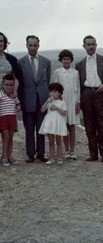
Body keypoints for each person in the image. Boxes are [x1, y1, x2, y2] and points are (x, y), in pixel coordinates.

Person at [75, 35, 103, 162]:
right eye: (88, 44)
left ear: (96, 45)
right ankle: (93, 154)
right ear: (84, 46)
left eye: (93, 44)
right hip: (86, 94)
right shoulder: (79, 64)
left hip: (101, 94)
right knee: (89, 125)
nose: (91, 47)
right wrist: (79, 101)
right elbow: (78, 84)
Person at [18, 35, 51, 163]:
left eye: (35, 45)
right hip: (28, 99)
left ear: (38, 45)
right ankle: (30, 154)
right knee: (29, 127)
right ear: (26, 46)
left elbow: (46, 81)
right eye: (30, 45)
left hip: (42, 99)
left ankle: (41, 153)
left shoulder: (46, 62)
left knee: (41, 127)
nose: (32, 47)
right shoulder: (20, 62)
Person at [52, 49, 80, 160]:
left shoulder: (75, 72)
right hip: (62, 102)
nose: (66, 61)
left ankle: (72, 151)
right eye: (64, 59)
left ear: (71, 60)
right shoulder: (57, 72)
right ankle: (66, 150)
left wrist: (78, 103)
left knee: (72, 126)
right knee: (64, 126)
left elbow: (77, 89)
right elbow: (55, 89)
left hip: (72, 102)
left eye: (68, 59)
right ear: (61, 60)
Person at [39, 83, 67, 165]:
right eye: (51, 91)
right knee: (51, 141)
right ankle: (51, 158)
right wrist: (47, 101)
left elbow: (64, 113)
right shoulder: (49, 101)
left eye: (55, 91)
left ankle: (59, 158)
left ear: (59, 93)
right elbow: (42, 110)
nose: (52, 93)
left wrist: (57, 108)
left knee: (58, 141)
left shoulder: (62, 102)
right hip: (49, 123)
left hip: (57, 123)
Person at [0, 74, 21, 166]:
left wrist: (18, 106)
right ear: (3, 84)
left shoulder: (14, 95)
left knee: (11, 138)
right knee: (6, 137)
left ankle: (9, 156)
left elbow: (17, 104)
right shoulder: (0, 94)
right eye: (6, 85)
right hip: (3, 118)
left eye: (11, 85)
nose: (9, 87)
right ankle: (4, 157)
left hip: (12, 117)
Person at [0, 32, 20, 98]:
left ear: (4, 43)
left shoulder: (12, 59)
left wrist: (15, 91)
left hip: (8, 96)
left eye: (1, 41)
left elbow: (16, 78)